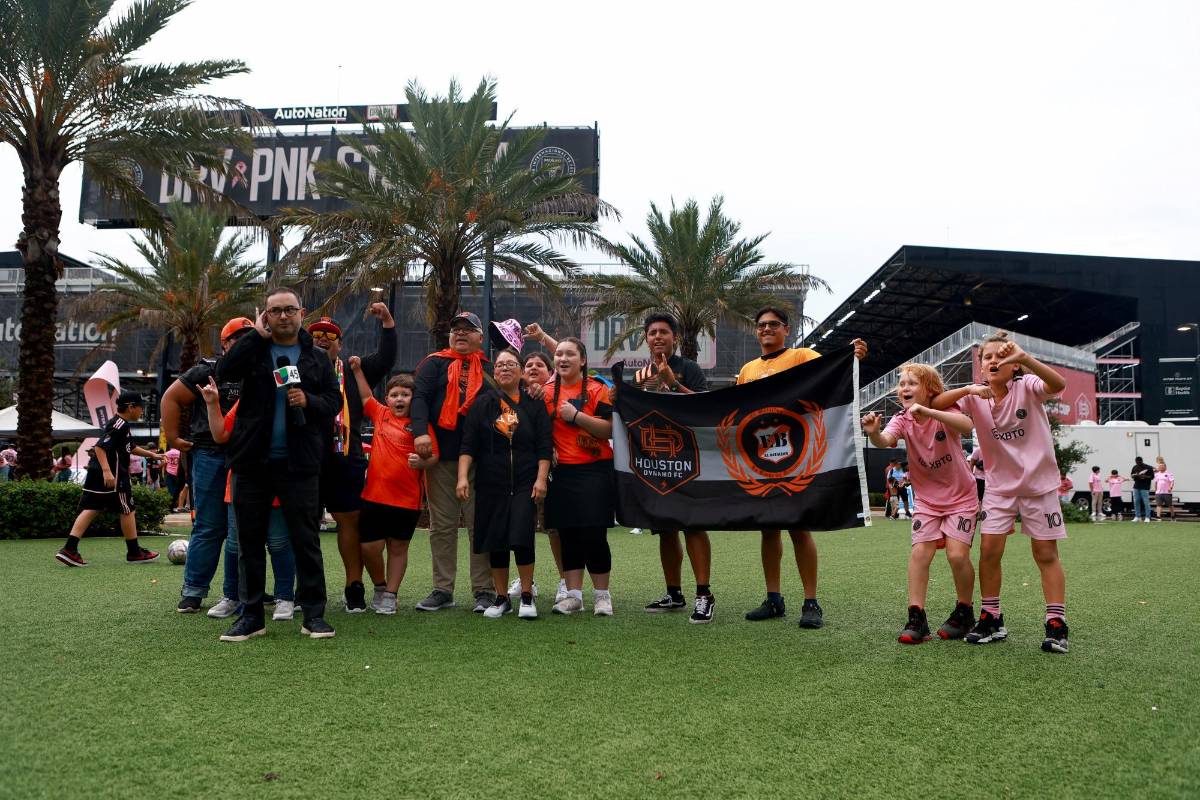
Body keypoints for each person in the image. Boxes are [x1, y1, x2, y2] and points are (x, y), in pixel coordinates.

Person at [530, 313, 716, 622]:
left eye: (663, 332)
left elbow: (706, 407)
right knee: (665, 528)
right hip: (654, 462)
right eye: (652, 332)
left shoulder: (689, 369)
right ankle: (675, 592)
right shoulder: (638, 376)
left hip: (688, 459)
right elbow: (625, 415)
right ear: (645, 338)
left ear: (675, 337)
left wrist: (672, 385)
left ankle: (704, 594)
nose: (657, 337)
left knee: (693, 524)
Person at [932, 331, 1071, 654]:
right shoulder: (974, 397)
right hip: (998, 488)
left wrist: (1025, 357)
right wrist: (967, 388)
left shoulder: (1028, 387)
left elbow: (1058, 385)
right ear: (980, 366)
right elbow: (935, 403)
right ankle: (992, 617)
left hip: (1039, 487)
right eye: (987, 357)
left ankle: (1056, 623)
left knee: (1045, 554)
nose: (993, 361)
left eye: (1000, 356)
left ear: (1013, 366)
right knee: (989, 552)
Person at [216, 286, 341, 642]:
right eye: (275, 311)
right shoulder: (254, 350)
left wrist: (309, 401)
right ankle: (251, 616)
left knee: (306, 541)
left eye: (290, 310)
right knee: (249, 542)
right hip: (252, 463)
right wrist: (254, 336)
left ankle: (314, 615)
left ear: (302, 313)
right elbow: (225, 370)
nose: (283, 316)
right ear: (265, 316)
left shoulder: (317, 357)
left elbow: (333, 401)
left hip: (299, 464)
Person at [736, 306, 868, 628]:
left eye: (773, 324)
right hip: (761, 459)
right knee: (768, 528)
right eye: (761, 325)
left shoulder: (801, 356)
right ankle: (774, 599)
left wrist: (853, 357)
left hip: (798, 455)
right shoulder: (747, 370)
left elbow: (831, 373)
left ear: (786, 329)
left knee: (799, 525)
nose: (766, 329)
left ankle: (811, 602)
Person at [861, 363, 977, 644]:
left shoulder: (946, 412)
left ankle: (965, 612)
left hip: (961, 497)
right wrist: (874, 432)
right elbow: (885, 440)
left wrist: (928, 411)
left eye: (912, 383)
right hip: (926, 500)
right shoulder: (903, 419)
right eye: (902, 384)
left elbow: (967, 426)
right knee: (920, 555)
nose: (904, 388)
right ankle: (917, 617)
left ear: (930, 390)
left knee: (957, 555)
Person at [164, 316, 261, 615]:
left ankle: (239, 593)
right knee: (209, 525)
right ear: (225, 343)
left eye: (249, 337)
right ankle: (193, 591)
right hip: (208, 452)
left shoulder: (259, 370)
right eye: (237, 338)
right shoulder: (208, 369)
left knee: (239, 529)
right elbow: (171, 397)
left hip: (244, 455)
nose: (243, 343)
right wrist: (173, 438)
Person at [308, 305, 398, 613]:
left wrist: (387, 322)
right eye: (316, 334)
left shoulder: (351, 368)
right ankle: (303, 589)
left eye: (330, 335)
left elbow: (386, 359)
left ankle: (353, 585)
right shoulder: (298, 367)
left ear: (340, 344)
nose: (322, 339)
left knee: (350, 520)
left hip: (347, 457)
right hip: (306, 458)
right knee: (303, 523)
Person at [410, 311, 496, 613]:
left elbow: (505, 406)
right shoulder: (434, 363)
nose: (461, 334)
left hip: (481, 461)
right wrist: (420, 433)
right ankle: (442, 589)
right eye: (455, 329)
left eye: (468, 329)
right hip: (441, 458)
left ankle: (484, 590)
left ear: (480, 337)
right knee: (442, 526)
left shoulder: (491, 369)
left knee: (479, 525)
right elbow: (418, 398)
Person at [457, 347, 552, 619]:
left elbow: (544, 444)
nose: (505, 368)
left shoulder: (534, 403)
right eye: (500, 365)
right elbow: (468, 444)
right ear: (494, 373)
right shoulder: (483, 403)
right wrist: (463, 476)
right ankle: (501, 598)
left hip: (525, 481)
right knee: (496, 539)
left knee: (522, 537)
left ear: (521, 372)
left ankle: (526, 595)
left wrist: (541, 478)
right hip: (491, 482)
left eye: (511, 364)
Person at [200, 378, 298, 621]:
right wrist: (212, 404)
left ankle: (284, 597)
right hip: (242, 483)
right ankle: (232, 596)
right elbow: (220, 434)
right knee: (235, 544)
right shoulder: (244, 403)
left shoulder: (291, 401)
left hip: (278, 482)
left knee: (278, 543)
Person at [347, 360, 438, 615]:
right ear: (386, 399)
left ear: (414, 399)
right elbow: (365, 395)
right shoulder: (381, 414)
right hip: (374, 497)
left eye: (405, 395)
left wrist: (423, 461)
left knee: (398, 548)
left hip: (407, 501)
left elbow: (434, 457)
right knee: (369, 547)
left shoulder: (422, 426)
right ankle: (379, 585)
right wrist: (356, 371)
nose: (400, 399)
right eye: (394, 395)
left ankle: (391, 594)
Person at [542, 337, 617, 616]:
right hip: (561, 474)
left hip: (595, 470)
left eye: (569, 354)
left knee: (594, 533)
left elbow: (610, 430)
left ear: (582, 361)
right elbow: (540, 429)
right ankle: (573, 596)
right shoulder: (547, 392)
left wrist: (577, 417)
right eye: (559, 354)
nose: (562, 358)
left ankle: (602, 596)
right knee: (568, 533)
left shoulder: (598, 390)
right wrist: (547, 447)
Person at [55, 392, 160, 567]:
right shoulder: (119, 424)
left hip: (99, 472)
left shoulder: (121, 424)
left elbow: (130, 447)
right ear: (130, 407)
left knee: (92, 507)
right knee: (127, 509)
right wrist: (107, 471)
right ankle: (134, 552)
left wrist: (151, 455)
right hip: (113, 474)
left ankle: (69, 549)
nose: (142, 410)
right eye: (141, 407)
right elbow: (100, 447)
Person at [520, 350, 567, 603]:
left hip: (553, 470)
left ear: (551, 373)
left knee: (554, 527)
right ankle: (527, 581)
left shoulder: (553, 393)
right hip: (520, 471)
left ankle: (564, 580)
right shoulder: (512, 396)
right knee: (521, 524)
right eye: (528, 364)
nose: (533, 367)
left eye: (540, 364)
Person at [1130, 456, 1154, 523]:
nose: (1137, 463)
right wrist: (1134, 475)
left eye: (1139, 461)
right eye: (1136, 461)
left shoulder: (1148, 467)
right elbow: (1131, 475)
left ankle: (1147, 517)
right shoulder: (1135, 467)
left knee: (1146, 502)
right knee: (1136, 501)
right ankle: (1137, 516)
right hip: (1136, 486)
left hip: (1145, 487)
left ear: (1141, 461)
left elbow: (1152, 477)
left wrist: (1145, 476)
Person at [163, 446, 183, 510]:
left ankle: (170, 507)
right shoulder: (180, 453)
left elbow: (164, 462)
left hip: (169, 473)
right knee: (176, 490)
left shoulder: (167, 453)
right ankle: (173, 506)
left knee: (170, 490)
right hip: (178, 473)